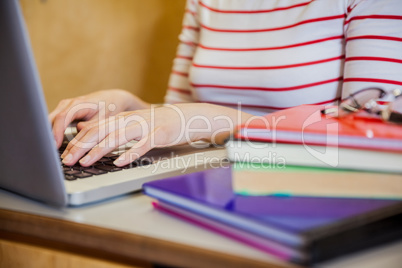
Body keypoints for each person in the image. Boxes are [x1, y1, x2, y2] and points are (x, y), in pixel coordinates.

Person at [50, 0, 402, 167]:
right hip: (204, 186)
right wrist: (133, 107)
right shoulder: (205, 2)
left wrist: (219, 120)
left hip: (306, 194)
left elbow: (370, 137)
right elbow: (181, 120)